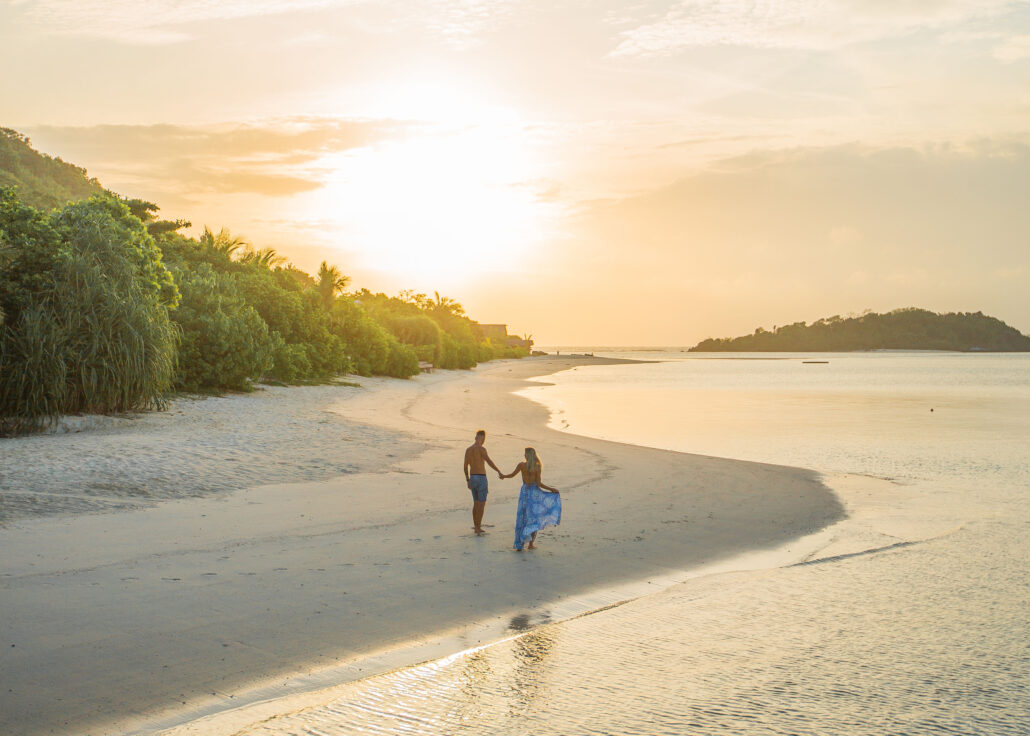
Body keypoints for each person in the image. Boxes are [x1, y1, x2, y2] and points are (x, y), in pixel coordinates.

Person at [500, 447, 561, 551]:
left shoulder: (521, 465)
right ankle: (530, 544)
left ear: (527, 455)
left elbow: (512, 474)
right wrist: (551, 489)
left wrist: (504, 476)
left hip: (524, 492)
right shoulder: (537, 467)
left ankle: (519, 544)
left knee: (522, 517)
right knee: (533, 517)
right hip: (534, 493)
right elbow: (539, 483)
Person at [463, 429, 501, 536]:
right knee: (481, 504)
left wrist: (467, 480)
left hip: (473, 478)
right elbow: (489, 461)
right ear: (482, 438)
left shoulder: (468, 450)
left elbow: (465, 467)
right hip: (481, 478)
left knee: (475, 503)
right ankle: (478, 528)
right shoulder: (482, 449)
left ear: (475, 437)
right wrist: (498, 471)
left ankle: (476, 527)